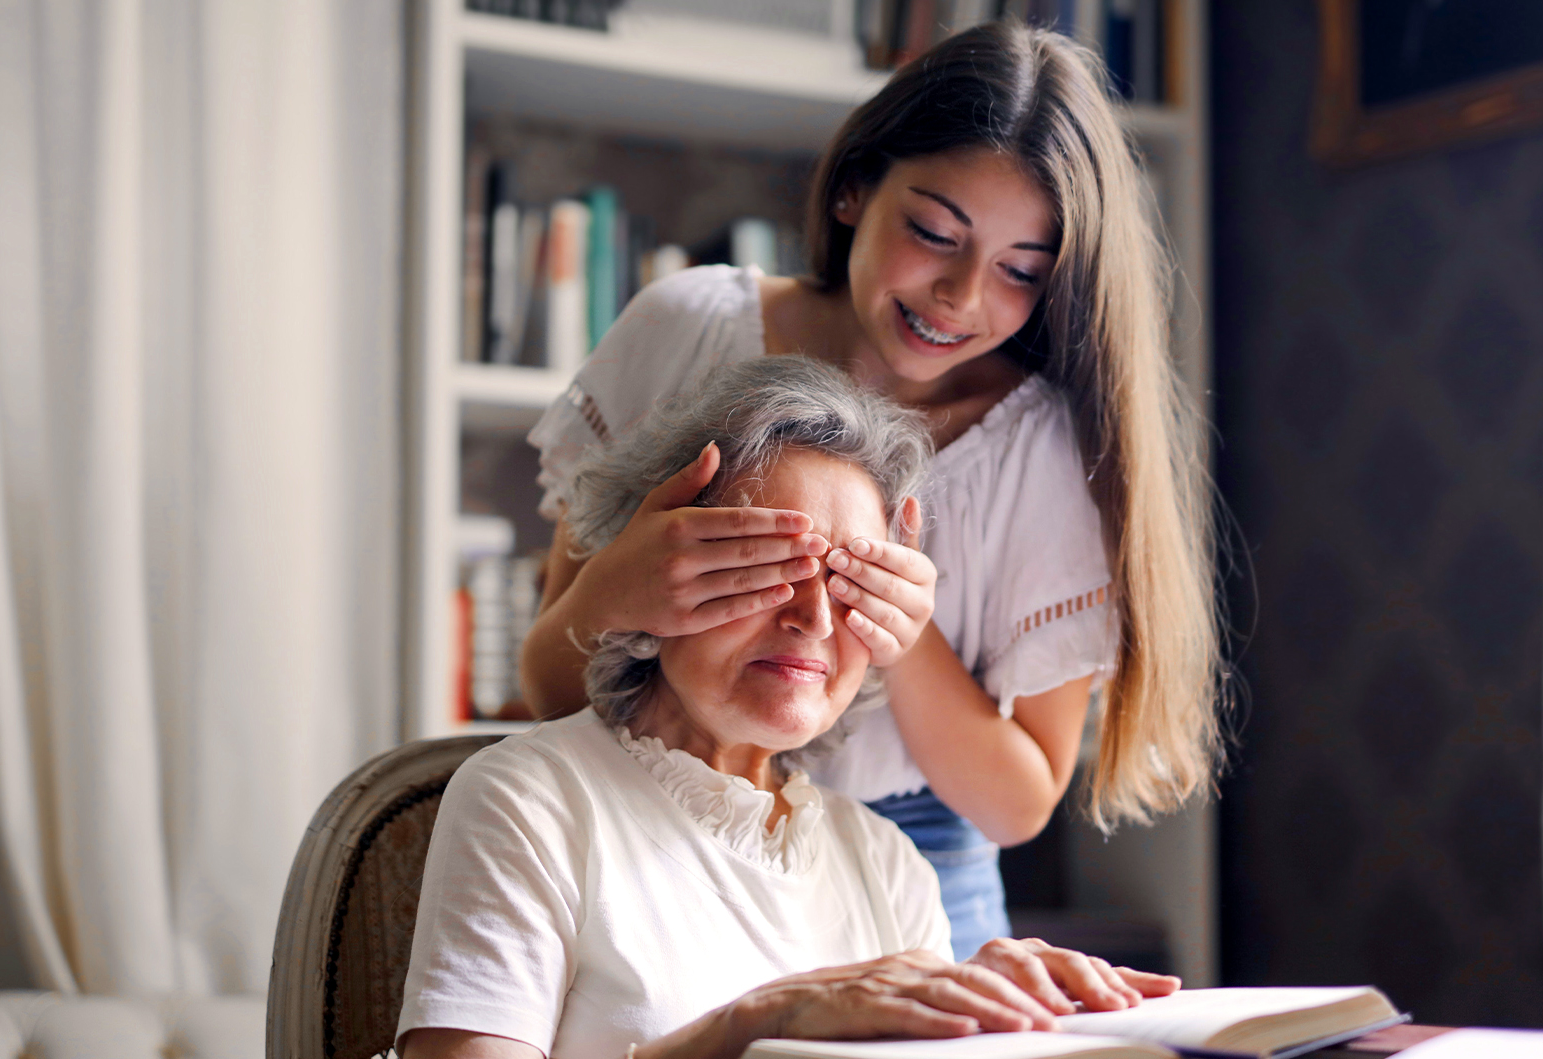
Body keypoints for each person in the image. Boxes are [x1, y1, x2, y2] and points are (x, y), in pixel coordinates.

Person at [520, 21, 1221, 960]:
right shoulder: (686, 329)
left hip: (919, 872)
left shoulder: (1042, 450)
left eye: (1020, 271)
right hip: (657, 834)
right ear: (853, 188)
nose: (959, 295)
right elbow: (547, 689)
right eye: (933, 233)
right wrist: (614, 593)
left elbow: (1018, 805)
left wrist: (898, 627)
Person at [395, 358, 1179, 1059]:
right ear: (659, 574)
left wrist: (1016, 1029)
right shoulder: (530, 804)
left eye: (852, 581)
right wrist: (751, 1029)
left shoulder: (887, 865)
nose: (815, 618)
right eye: (767, 566)